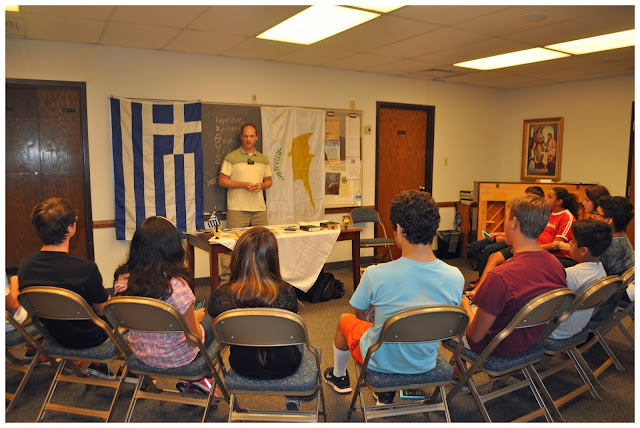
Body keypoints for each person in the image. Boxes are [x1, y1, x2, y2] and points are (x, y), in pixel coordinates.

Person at [322, 190, 464, 405]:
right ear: (434, 228)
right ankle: (384, 391)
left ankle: (339, 376)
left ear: (398, 229)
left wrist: (375, 313)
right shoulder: (456, 276)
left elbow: (359, 316)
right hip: (424, 362)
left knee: (345, 320)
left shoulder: (375, 274)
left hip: (379, 361)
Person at [114, 216, 214, 395]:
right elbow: (194, 340)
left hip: (141, 354)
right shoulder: (177, 287)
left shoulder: (122, 282)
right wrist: (196, 319)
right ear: (172, 249)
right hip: (178, 358)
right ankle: (199, 378)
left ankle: (197, 380)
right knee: (211, 317)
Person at [207, 226, 302, 409]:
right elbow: (291, 335)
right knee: (299, 340)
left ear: (238, 257)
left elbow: (220, 338)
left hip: (242, 365)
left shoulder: (221, 295)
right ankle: (293, 394)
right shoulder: (286, 292)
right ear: (273, 258)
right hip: (285, 365)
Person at [461, 194, 566, 358]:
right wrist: (486, 297)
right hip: (532, 340)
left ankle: (459, 370)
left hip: (497, 347)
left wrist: (464, 306)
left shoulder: (500, 276)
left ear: (514, 222)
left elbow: (475, 336)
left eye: (506, 218)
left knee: (454, 321)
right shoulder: (557, 266)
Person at [19, 197, 110, 350]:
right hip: (91, 338)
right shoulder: (86, 269)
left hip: (54, 336)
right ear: (70, 228)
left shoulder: (25, 266)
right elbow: (102, 311)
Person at [469, 186, 544, 284]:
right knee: (475, 246)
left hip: (515, 241)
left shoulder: (534, 217)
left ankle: (484, 280)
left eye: (508, 218)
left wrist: (504, 238)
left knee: (489, 250)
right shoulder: (522, 213)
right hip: (512, 239)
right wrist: (499, 234)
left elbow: (524, 235)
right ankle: (482, 278)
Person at [549, 220, 611, 340]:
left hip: (554, 331)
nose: (570, 243)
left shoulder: (571, 275)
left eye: (573, 241)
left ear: (583, 251)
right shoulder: (601, 270)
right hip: (576, 327)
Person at [589, 196, 635, 322]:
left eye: (597, 214)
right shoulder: (623, 240)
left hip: (596, 308)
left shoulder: (608, 248)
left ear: (608, 220)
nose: (593, 217)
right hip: (607, 302)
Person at [219, 123, 272, 229]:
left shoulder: (263, 159)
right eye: (246, 136)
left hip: (259, 210)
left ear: (256, 137)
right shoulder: (231, 157)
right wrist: (243, 185)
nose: (248, 139)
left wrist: (261, 186)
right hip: (237, 211)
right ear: (241, 137)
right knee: (235, 238)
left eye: (251, 136)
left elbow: (269, 181)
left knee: (263, 238)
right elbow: (222, 181)